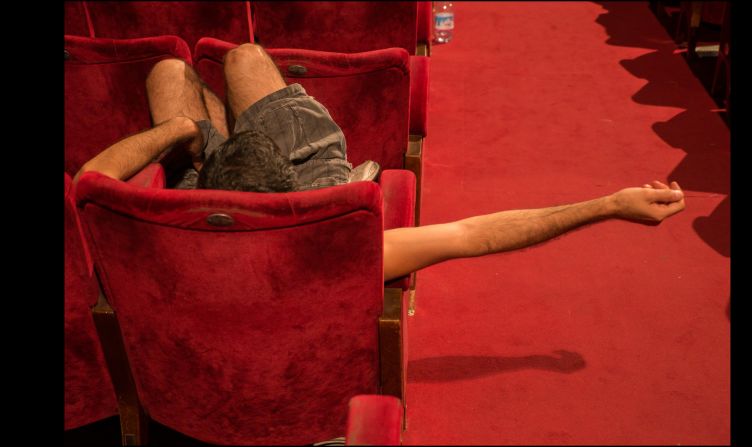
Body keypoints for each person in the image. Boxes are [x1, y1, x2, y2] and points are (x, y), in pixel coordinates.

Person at [74, 43, 686, 283]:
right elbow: (476, 234)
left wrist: (181, 132)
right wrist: (608, 206)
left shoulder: (159, 224)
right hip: (298, 188)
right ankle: (218, 129)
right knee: (242, 59)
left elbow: (87, 181)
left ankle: (196, 131)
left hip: (200, 198)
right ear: (290, 180)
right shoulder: (333, 234)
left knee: (170, 72)